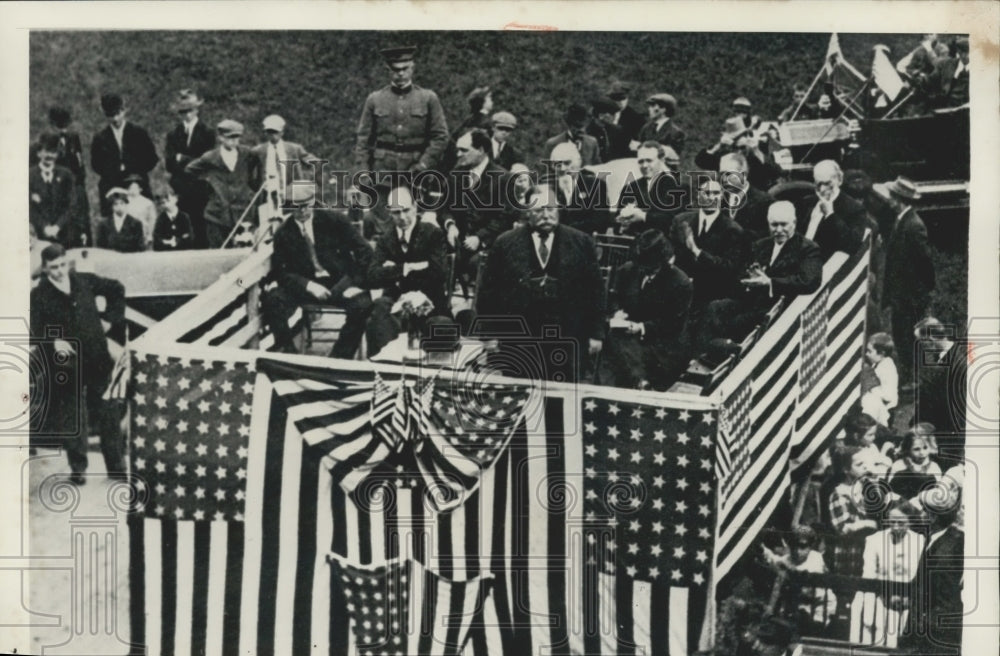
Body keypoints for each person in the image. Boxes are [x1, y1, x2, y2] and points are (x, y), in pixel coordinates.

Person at [476, 185, 605, 383]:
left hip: (568, 339)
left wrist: (596, 334)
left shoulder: (582, 243)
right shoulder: (505, 244)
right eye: (538, 210)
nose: (546, 215)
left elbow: (595, 292)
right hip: (520, 341)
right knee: (523, 399)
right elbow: (488, 293)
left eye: (551, 208)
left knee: (561, 403)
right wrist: (489, 334)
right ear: (527, 212)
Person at [30, 244, 127, 484]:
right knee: (73, 416)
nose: (60, 271)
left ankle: (116, 467)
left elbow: (117, 289)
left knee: (108, 412)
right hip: (66, 364)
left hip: (96, 357)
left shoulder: (85, 281)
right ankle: (79, 469)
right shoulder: (38, 295)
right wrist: (53, 341)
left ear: (67, 263)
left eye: (63, 265)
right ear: (44, 268)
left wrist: (109, 321)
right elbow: (35, 328)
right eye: (54, 268)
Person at [263, 183, 374, 358]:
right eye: (295, 207)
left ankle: (339, 359)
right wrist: (308, 286)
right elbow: (281, 272)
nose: (301, 212)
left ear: (313, 202)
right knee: (273, 300)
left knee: (362, 305)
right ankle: (288, 355)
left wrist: (351, 283)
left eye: (305, 206)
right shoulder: (283, 233)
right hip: (306, 286)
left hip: (340, 282)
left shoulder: (335, 221)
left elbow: (366, 254)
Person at [702, 201, 821, 342]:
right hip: (752, 300)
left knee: (737, 322)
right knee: (715, 308)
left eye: (784, 224)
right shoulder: (761, 245)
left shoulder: (807, 249)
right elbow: (741, 272)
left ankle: (724, 350)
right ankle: (707, 352)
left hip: (779, 307)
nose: (779, 230)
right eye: (774, 225)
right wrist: (748, 277)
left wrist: (769, 282)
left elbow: (808, 282)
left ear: (794, 223)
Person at [351, 46, 449, 213]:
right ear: (388, 71)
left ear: (413, 68)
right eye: (396, 70)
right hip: (382, 176)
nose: (401, 74)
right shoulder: (375, 99)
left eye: (405, 69)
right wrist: (363, 172)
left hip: (416, 175)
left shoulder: (428, 98)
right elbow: (363, 140)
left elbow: (440, 136)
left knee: (414, 223)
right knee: (383, 226)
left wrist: (423, 165)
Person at [599, 230, 692, 390]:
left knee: (616, 345)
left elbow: (672, 325)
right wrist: (617, 312)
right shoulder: (628, 270)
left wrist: (641, 327)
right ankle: (636, 383)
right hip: (625, 334)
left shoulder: (680, 283)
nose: (644, 269)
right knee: (614, 339)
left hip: (661, 345)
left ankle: (637, 383)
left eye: (650, 266)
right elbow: (613, 297)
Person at [366, 186, 449, 356]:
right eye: (396, 213)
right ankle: (385, 369)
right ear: (390, 212)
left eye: (406, 210)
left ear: (415, 208)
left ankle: (434, 376)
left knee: (441, 325)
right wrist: (407, 267)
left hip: (430, 304)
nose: (402, 217)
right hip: (395, 307)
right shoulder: (385, 240)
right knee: (380, 308)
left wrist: (393, 272)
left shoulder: (432, 233)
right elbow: (373, 276)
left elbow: (439, 273)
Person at [438, 129, 509, 288]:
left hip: (489, 246)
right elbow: (443, 208)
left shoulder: (502, 178)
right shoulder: (455, 175)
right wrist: (450, 225)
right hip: (456, 242)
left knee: (477, 265)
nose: (458, 154)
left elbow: (505, 218)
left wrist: (480, 238)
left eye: (464, 150)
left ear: (481, 150)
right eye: (458, 150)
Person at [881, 178, 935, 383]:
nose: (889, 201)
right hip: (902, 293)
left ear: (899, 199)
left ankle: (913, 379)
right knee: (902, 335)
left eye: (892, 197)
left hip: (910, 295)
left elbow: (925, 262)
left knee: (908, 336)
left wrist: (923, 290)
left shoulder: (913, 225)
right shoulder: (903, 220)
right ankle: (909, 376)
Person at [671, 178, 750, 312]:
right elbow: (673, 255)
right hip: (681, 293)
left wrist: (697, 251)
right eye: (707, 193)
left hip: (713, 297)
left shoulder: (732, 229)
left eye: (716, 193)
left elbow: (728, 268)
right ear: (698, 195)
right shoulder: (681, 221)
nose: (712, 197)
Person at [852, 502, 925, 648]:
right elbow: (869, 574)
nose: (896, 526)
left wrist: (905, 597)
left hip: (907, 598)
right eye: (892, 522)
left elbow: (919, 576)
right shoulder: (874, 540)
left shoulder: (920, 542)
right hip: (879, 594)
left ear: (910, 522)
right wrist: (884, 595)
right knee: (868, 611)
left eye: (901, 522)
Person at [901, 492, 964, 655]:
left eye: (923, 511)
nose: (920, 515)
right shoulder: (935, 540)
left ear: (933, 517)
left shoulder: (951, 546)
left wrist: (923, 624)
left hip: (936, 635)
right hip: (926, 629)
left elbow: (943, 596)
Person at [185, 119, 258, 248]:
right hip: (217, 214)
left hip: (243, 212)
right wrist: (209, 185)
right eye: (230, 138)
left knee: (244, 249)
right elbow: (189, 170)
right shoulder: (210, 158)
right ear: (220, 138)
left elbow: (255, 168)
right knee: (219, 251)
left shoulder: (247, 154)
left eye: (237, 137)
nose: (234, 141)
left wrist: (250, 186)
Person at [90, 93, 159, 216]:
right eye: (111, 115)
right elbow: (96, 164)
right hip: (111, 184)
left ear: (124, 111)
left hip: (137, 184)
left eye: (118, 114)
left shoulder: (139, 133)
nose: (115, 119)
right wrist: (113, 171)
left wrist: (135, 174)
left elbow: (152, 159)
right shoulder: (100, 138)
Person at [164, 89, 215, 247]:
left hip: (199, 188)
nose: (186, 115)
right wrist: (190, 160)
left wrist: (183, 159)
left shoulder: (207, 132)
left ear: (196, 110)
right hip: (181, 188)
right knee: (182, 226)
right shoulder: (173, 134)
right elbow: (169, 164)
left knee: (200, 225)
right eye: (183, 112)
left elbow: (206, 162)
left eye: (189, 110)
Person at [912, 317, 965, 446]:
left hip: (950, 435)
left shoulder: (957, 363)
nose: (922, 347)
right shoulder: (947, 357)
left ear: (931, 340)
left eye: (921, 342)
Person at [250, 114, 321, 209]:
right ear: (265, 133)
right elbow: (249, 173)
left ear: (282, 132)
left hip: (291, 193)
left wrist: (306, 181)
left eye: (275, 132)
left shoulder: (294, 149)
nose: (273, 136)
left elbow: (315, 163)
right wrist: (257, 187)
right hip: (267, 194)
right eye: (269, 132)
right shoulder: (258, 151)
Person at [615, 141, 684, 236]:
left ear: (662, 160)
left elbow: (675, 220)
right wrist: (622, 221)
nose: (644, 165)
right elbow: (618, 219)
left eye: (649, 160)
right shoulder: (630, 187)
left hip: (663, 244)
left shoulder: (677, 187)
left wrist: (644, 216)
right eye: (641, 161)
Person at [44, 107, 91, 246]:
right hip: (58, 189)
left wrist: (79, 183)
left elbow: (79, 162)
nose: (63, 130)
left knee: (81, 220)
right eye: (59, 126)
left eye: (65, 126)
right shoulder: (46, 142)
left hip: (75, 186)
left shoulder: (73, 138)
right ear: (52, 125)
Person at [695, 117, 782, 190]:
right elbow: (701, 161)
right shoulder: (724, 155)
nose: (738, 149)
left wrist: (756, 151)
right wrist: (718, 145)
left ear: (747, 136)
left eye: (739, 138)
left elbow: (776, 172)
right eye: (734, 142)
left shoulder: (754, 153)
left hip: (754, 192)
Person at [30, 135, 77, 248]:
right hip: (39, 233)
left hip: (63, 232)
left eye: (53, 152)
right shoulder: (29, 176)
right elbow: (28, 208)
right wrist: (44, 227)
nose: (50, 155)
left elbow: (72, 205)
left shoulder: (66, 175)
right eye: (46, 151)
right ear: (39, 153)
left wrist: (57, 226)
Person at [718, 151, 773, 240]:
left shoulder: (765, 202)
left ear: (744, 175)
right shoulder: (718, 199)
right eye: (721, 173)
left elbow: (769, 237)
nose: (724, 178)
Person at [888, 430, 942, 505]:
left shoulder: (934, 467)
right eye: (916, 449)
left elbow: (937, 492)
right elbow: (891, 491)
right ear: (908, 449)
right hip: (900, 505)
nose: (922, 453)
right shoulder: (899, 465)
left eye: (925, 448)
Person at [860, 333, 899, 427]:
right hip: (878, 407)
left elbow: (888, 396)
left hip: (886, 409)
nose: (866, 354)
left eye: (870, 351)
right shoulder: (878, 363)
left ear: (882, 353)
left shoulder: (887, 367)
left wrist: (872, 387)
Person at [94, 188, 145, 253]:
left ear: (126, 204)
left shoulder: (135, 223)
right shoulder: (104, 224)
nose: (119, 207)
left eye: (122, 203)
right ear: (112, 206)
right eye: (116, 204)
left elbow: (140, 248)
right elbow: (100, 248)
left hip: (130, 260)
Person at [152, 186, 195, 251]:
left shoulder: (184, 217)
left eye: (168, 200)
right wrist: (167, 242)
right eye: (163, 203)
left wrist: (177, 241)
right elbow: (157, 239)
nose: (166, 204)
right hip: (166, 253)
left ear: (176, 199)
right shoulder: (161, 219)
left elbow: (190, 236)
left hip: (183, 252)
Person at [588, 97, 631, 162]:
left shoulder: (617, 131)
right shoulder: (588, 132)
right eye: (612, 113)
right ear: (601, 115)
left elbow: (624, 153)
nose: (614, 117)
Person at [607, 81, 645, 147]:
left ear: (627, 98)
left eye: (623, 98)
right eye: (616, 99)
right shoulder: (604, 115)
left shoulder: (636, 118)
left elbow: (638, 141)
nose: (620, 102)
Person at [124, 173, 157, 248]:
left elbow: (152, 219)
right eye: (130, 188)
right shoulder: (123, 202)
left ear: (140, 189)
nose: (132, 190)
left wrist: (150, 234)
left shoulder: (147, 203)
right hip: (127, 233)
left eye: (135, 188)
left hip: (143, 232)